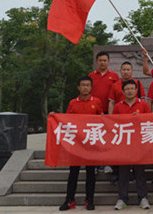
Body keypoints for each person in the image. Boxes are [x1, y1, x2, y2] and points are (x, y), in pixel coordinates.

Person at [58, 76, 103, 211]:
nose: (85, 88)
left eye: (88, 85)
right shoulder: (73, 103)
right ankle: (69, 200)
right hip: (76, 144)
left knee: (90, 173)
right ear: (78, 87)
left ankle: (89, 200)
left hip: (90, 143)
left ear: (91, 87)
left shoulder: (97, 101)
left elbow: (102, 120)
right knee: (73, 173)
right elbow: (66, 120)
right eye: (83, 85)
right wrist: (55, 116)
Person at [112, 80, 151, 210]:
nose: (130, 91)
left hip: (139, 144)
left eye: (132, 89)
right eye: (127, 89)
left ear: (136, 90)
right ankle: (122, 198)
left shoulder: (143, 105)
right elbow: (113, 124)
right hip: (124, 144)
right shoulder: (118, 106)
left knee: (140, 172)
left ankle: (143, 198)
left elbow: (150, 121)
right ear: (123, 92)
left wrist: (140, 118)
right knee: (123, 173)